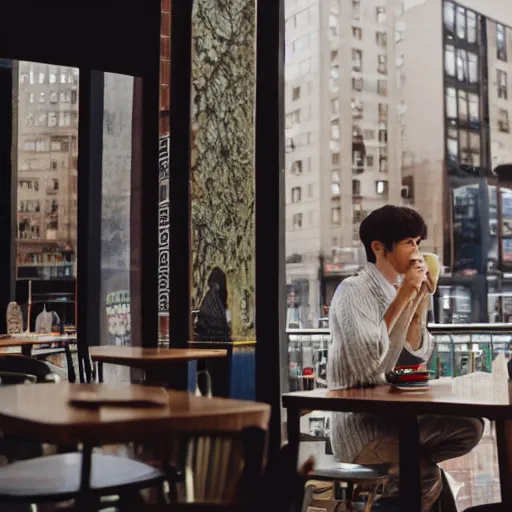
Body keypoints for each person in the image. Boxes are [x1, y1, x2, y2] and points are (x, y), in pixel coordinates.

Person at [327, 205, 483, 512]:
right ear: (378, 247)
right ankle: (408, 476)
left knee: (471, 427)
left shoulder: (400, 288)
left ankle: (409, 468)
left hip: (395, 418)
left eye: (418, 243)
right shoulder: (353, 290)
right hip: (361, 429)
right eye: (408, 242)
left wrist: (419, 298)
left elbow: (416, 352)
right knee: (426, 478)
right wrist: (404, 296)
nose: (417, 251)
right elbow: (367, 360)